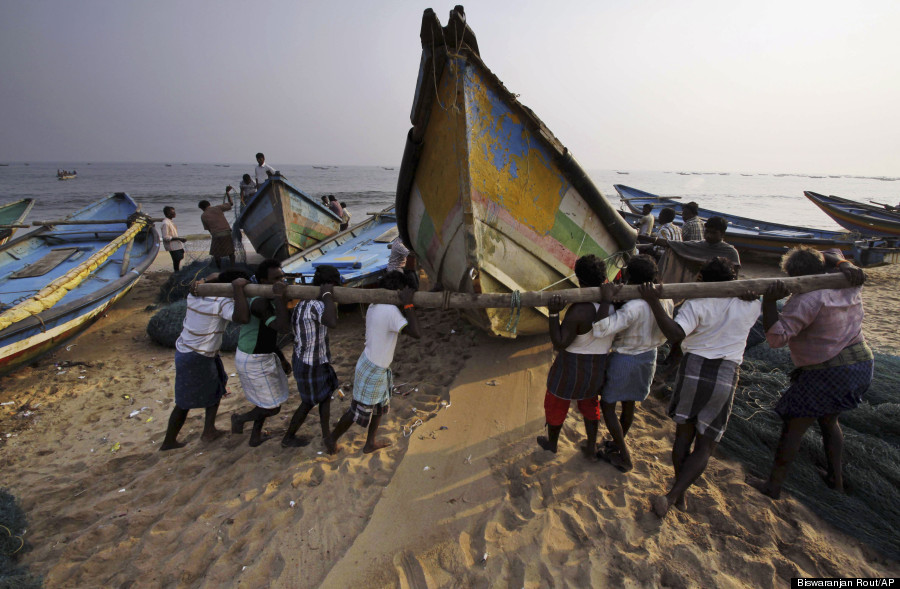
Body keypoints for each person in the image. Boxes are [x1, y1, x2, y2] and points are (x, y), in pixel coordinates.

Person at [639, 257, 761, 518]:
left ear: (702, 280)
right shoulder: (751, 303)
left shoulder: (699, 302)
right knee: (705, 446)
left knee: (684, 436)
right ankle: (676, 494)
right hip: (726, 374)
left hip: (694, 369)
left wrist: (653, 302)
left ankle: (675, 496)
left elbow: (675, 333)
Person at [751, 247, 870, 499]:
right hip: (860, 364)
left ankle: (773, 486)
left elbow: (776, 338)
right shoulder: (849, 282)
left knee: (793, 427)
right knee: (829, 420)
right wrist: (844, 264)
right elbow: (832, 252)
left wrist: (770, 301)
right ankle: (835, 480)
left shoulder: (805, 300)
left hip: (829, 372)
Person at [592, 255, 672, 472]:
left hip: (626, 358)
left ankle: (625, 456)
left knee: (608, 405)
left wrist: (607, 300)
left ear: (630, 278)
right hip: (648, 358)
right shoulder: (666, 300)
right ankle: (618, 444)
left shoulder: (634, 307)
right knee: (629, 404)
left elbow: (601, 328)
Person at [326, 271, 421, 454]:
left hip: (374, 365)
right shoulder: (390, 310)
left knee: (380, 407)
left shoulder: (376, 304)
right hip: (373, 368)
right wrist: (408, 303)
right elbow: (416, 332)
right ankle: (331, 439)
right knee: (356, 411)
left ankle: (370, 443)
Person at [160, 271, 251, 451]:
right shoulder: (221, 302)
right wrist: (239, 290)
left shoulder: (196, 293)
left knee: (217, 388)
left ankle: (209, 430)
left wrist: (204, 280)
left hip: (195, 352)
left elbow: (216, 274)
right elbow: (243, 318)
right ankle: (169, 441)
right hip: (196, 356)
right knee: (184, 402)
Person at [537, 255, 612, 460]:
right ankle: (590, 445)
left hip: (570, 368)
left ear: (579, 280)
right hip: (596, 368)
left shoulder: (580, 309)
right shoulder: (613, 305)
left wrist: (553, 314)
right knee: (589, 405)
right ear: (604, 277)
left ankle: (552, 443)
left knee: (556, 404)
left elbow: (560, 343)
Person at [231, 259, 293, 447]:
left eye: (282, 277)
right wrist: (280, 298)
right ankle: (240, 419)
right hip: (253, 357)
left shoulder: (265, 298)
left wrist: (280, 358)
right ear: (262, 281)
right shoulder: (259, 303)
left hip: (263, 353)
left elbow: (270, 335)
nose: (280, 282)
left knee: (265, 401)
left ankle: (255, 436)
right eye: (275, 279)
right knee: (272, 407)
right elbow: (282, 328)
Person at [282, 265, 341, 448]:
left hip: (314, 358)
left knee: (324, 397)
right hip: (310, 361)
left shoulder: (304, 302)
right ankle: (288, 437)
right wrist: (328, 296)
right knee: (308, 402)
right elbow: (332, 322)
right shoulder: (315, 304)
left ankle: (326, 435)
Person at [647, 216, 741, 285]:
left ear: (722, 234)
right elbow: (669, 243)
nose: (708, 235)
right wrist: (641, 236)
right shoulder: (696, 245)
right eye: (707, 231)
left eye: (713, 233)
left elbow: (734, 278)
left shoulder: (730, 252)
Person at [199, 192, 235, 269]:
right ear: (209, 204)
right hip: (226, 233)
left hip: (216, 235)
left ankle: (219, 268)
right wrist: (228, 193)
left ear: (202, 208)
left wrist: (215, 235)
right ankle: (233, 267)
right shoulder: (217, 208)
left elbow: (208, 229)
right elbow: (231, 203)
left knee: (216, 254)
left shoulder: (203, 216)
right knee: (231, 252)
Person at [161, 206, 187, 271]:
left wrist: (179, 239)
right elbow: (165, 237)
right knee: (176, 259)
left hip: (176, 245)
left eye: (174, 212)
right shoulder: (166, 223)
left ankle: (177, 271)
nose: (174, 213)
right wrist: (179, 239)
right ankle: (176, 272)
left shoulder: (170, 222)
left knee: (180, 256)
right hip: (172, 246)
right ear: (168, 214)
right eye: (172, 212)